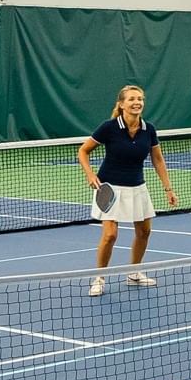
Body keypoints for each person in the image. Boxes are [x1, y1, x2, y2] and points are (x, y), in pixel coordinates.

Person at [77, 85, 178, 297]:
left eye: (140, 99)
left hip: (137, 187)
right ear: (121, 104)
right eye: (132, 99)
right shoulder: (109, 127)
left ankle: (134, 273)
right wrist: (90, 174)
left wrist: (168, 188)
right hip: (110, 189)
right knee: (110, 235)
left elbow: (157, 159)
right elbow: (83, 151)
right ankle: (99, 278)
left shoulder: (148, 129)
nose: (137, 102)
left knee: (144, 232)